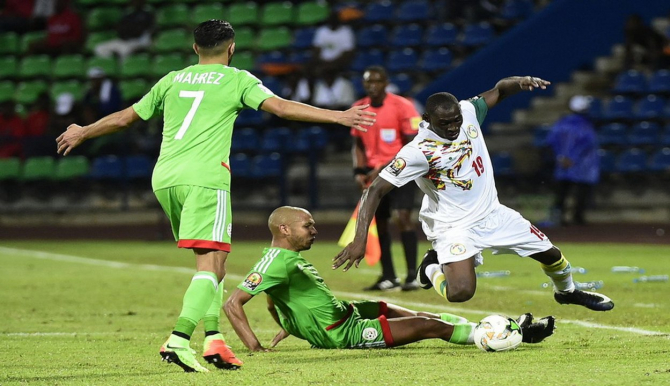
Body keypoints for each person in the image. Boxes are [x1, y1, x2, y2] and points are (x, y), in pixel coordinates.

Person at [55, 19, 376, 373]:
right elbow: (281, 108)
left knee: (214, 263)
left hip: (165, 178)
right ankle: (178, 340)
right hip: (205, 178)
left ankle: (214, 341)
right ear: (232, 47)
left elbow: (124, 118)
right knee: (210, 264)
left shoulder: (173, 79)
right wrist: (339, 115)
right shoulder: (237, 79)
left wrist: (84, 131)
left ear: (195, 49)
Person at [333, 76, 615, 313]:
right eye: (446, 124)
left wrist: (519, 82)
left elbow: (499, 90)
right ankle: (431, 269)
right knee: (461, 293)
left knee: (551, 254)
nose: (454, 127)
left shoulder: (467, 112)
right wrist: (359, 239)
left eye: (456, 120)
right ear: (428, 119)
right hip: (454, 226)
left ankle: (566, 292)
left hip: (493, 213)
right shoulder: (417, 153)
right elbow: (374, 191)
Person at [224, 206, 555, 351]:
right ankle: (507, 334)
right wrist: (255, 347)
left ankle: (502, 328)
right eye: (306, 226)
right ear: (284, 229)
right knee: (430, 327)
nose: (314, 230)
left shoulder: (286, 260)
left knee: (415, 313)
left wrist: (292, 322)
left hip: (347, 313)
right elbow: (233, 304)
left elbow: (272, 298)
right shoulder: (275, 261)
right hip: (343, 333)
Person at [351, 66, 421, 292]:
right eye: (368, 82)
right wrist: (359, 171)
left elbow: (412, 143)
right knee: (379, 223)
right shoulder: (359, 108)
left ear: (386, 82)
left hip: (402, 172)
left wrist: (383, 166)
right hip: (373, 175)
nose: (373, 86)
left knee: (402, 218)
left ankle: (412, 275)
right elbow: (358, 144)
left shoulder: (403, 106)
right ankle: (388, 276)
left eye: (377, 81)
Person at [546, 95, 599, 226]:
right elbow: (588, 143)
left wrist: (561, 157)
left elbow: (551, 141)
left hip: (562, 163)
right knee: (582, 192)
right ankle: (577, 218)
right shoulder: (585, 125)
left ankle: (558, 217)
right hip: (581, 165)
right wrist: (573, 158)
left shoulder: (561, 123)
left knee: (562, 192)